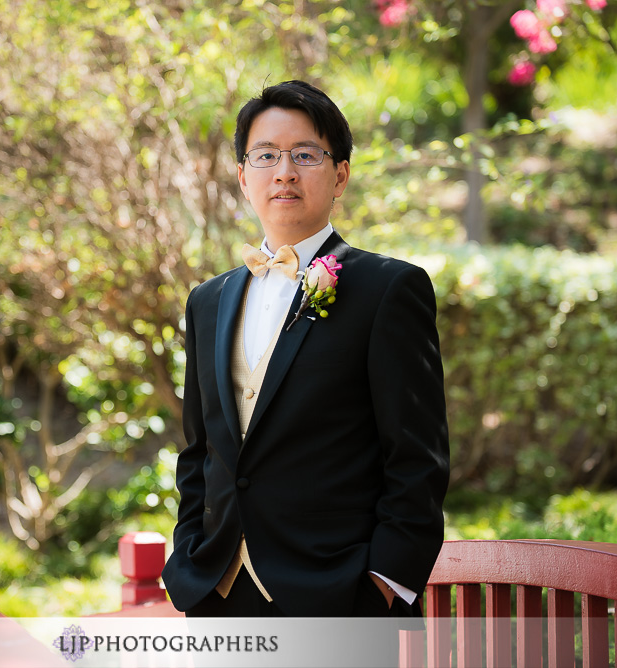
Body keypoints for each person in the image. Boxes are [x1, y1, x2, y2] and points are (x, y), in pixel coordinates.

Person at [161, 80, 449, 618]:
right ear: (244, 177)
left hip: (339, 597)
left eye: (305, 155)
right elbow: (199, 453)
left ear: (340, 174)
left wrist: (381, 585)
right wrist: (189, 559)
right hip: (217, 592)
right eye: (265, 155)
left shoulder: (389, 289)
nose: (284, 172)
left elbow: (416, 460)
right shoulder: (207, 300)